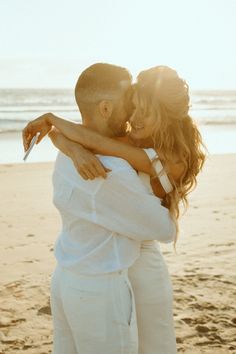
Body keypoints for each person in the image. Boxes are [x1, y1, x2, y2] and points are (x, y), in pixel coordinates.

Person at [23, 63, 177, 354]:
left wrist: (67, 143)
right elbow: (163, 229)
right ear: (106, 108)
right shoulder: (111, 170)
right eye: (127, 103)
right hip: (100, 291)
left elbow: (84, 137)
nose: (132, 113)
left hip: (65, 280)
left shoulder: (70, 157)